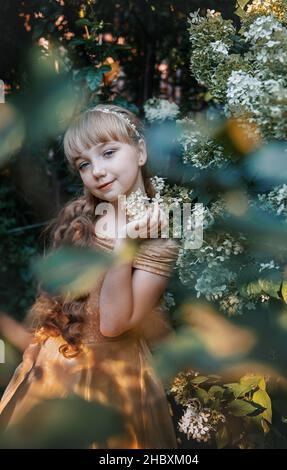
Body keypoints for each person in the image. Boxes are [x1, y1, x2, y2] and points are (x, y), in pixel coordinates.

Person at [0, 104, 180, 449]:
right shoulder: (83, 218)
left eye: (109, 153)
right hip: (58, 364)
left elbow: (113, 323)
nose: (97, 171)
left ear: (140, 151)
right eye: (84, 164)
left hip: (113, 376)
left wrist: (125, 243)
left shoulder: (159, 239)